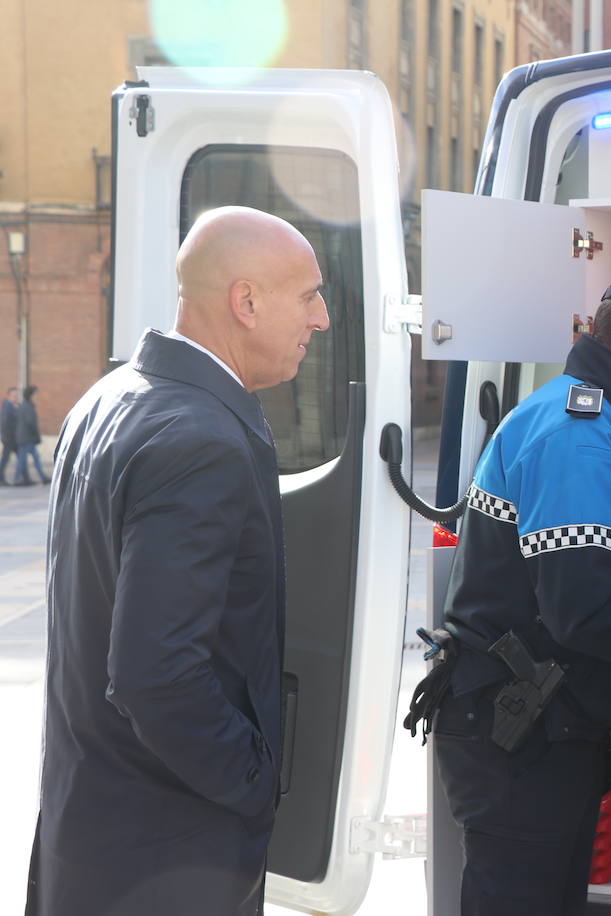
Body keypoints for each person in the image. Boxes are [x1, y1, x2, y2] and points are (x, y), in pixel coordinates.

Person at [26, 206, 330, 916]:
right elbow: (155, 676)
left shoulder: (105, 400)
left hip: (95, 832)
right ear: (246, 301)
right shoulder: (201, 441)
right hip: (166, 860)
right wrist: (252, 782)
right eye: (310, 296)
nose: (320, 320)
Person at [408, 266, 611, 915]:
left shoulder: (600, 423)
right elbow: (590, 614)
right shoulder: (577, 435)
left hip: (542, 734)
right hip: (519, 744)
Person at [13, 386, 49, 485]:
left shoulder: (26, 405)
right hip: (27, 438)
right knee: (23, 460)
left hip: (25, 437)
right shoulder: (28, 406)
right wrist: (36, 435)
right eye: (35, 394)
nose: (37, 396)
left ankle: (42, 477)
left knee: (30, 458)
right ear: (31, 395)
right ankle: (17, 479)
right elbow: (30, 422)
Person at [0, 386, 17, 485]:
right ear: (9, 396)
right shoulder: (8, 407)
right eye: (14, 396)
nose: (16, 398)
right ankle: (1, 478)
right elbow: (5, 422)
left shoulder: (12, 406)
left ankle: (23, 477)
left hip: (11, 437)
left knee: (7, 458)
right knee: (5, 458)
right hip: (8, 438)